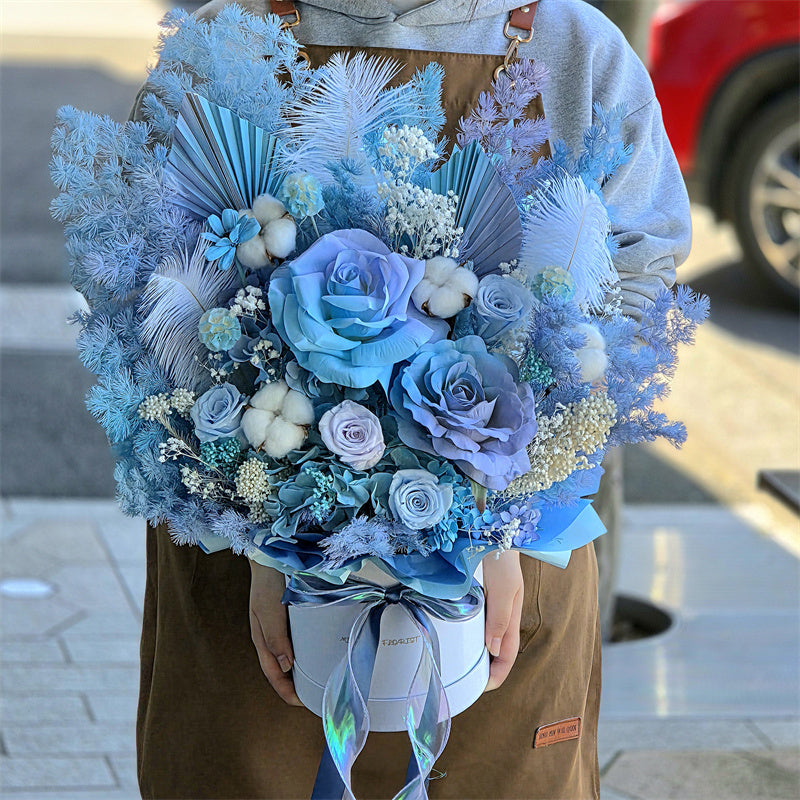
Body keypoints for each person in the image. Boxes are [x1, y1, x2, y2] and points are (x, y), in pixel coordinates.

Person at [134, 1, 691, 798]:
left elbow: (635, 284)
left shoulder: (575, 48)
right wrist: (266, 544)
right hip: (248, 593)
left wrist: (507, 521)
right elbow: (153, 307)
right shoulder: (226, 40)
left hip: (507, 580)